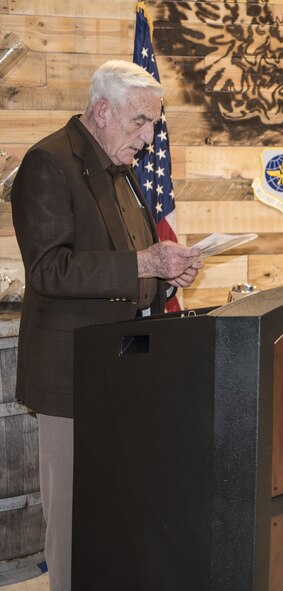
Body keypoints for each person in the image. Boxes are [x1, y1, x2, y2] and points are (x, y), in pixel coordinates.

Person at [10, 60, 204, 591]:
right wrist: (148, 263)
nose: (148, 137)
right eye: (141, 122)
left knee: (117, 514)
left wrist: (169, 274)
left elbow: (132, 269)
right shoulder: (47, 163)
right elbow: (49, 268)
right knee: (75, 524)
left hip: (124, 373)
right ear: (102, 111)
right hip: (70, 378)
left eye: (153, 126)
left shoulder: (124, 171)